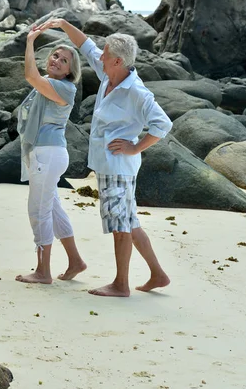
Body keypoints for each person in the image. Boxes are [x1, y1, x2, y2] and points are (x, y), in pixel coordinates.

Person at [33, 18, 172, 297]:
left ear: (118, 61)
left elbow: (162, 125)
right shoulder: (110, 73)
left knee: (120, 226)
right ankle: (158, 274)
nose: (101, 56)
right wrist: (62, 24)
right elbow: (84, 46)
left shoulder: (136, 91)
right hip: (109, 164)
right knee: (130, 222)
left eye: (106, 54)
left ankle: (121, 284)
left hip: (118, 166)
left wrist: (135, 147)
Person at [15, 28, 86, 285]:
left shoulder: (64, 88)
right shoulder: (50, 83)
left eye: (63, 60)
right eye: (55, 55)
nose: (56, 60)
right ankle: (76, 261)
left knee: (38, 211)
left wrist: (30, 41)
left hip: (49, 154)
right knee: (52, 210)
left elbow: (29, 74)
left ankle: (42, 271)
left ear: (69, 71)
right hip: (45, 154)